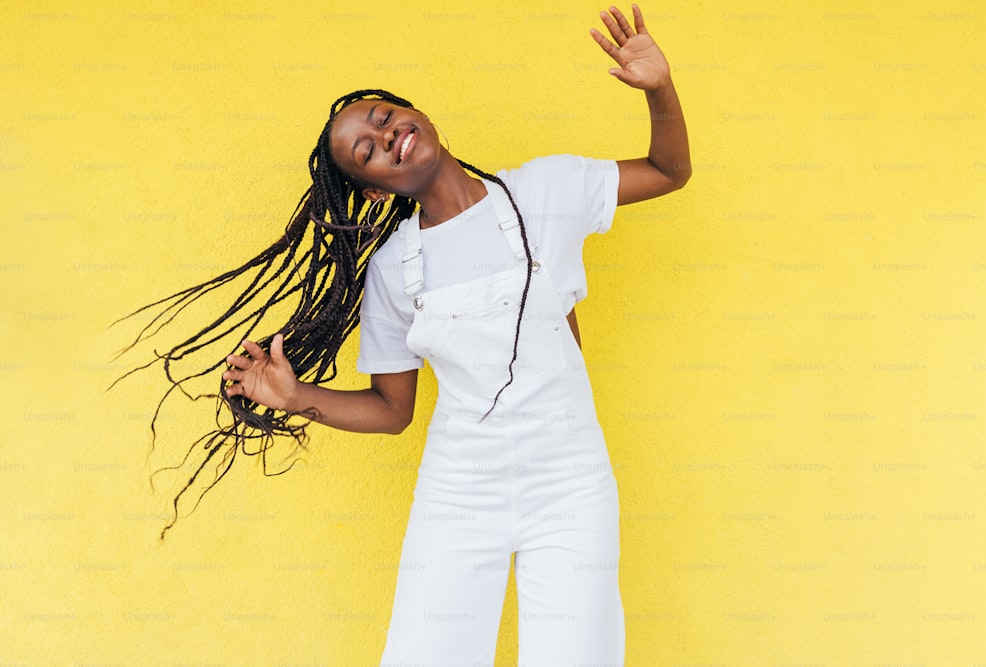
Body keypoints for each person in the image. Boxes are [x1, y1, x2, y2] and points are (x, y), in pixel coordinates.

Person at [120, 4, 689, 665]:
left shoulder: (547, 189)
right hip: (460, 492)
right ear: (374, 194)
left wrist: (659, 89)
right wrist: (292, 394)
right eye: (368, 149)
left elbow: (670, 170)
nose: (387, 135)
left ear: (415, 114)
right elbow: (393, 411)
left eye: (385, 118)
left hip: (571, 484)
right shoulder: (396, 271)